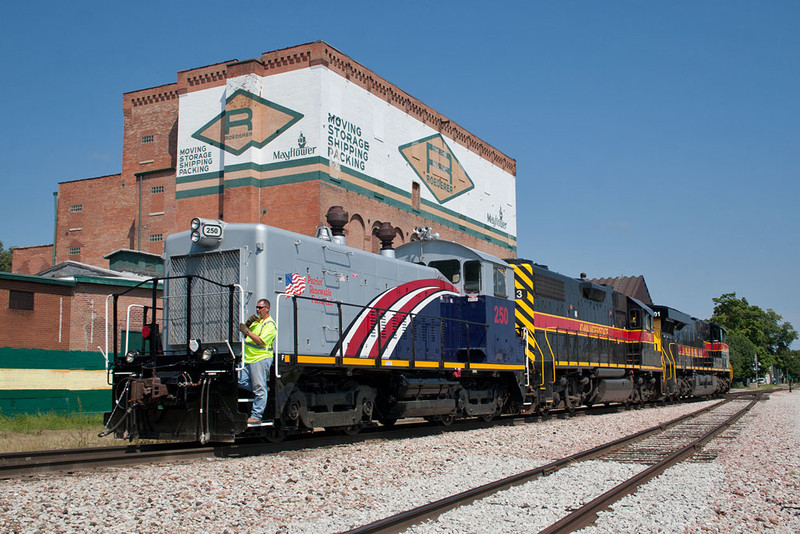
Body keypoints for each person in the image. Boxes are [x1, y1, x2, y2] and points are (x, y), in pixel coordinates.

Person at [238, 299, 277, 425]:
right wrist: (248, 325)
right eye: (257, 307)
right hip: (248, 358)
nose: (257, 310)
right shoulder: (256, 323)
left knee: (259, 388)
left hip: (260, 358)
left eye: (260, 307)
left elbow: (261, 341)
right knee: (238, 379)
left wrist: (247, 331)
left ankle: (256, 416)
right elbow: (246, 336)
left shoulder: (270, 324)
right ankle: (262, 391)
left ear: (267, 308)